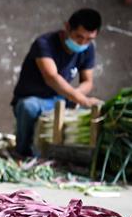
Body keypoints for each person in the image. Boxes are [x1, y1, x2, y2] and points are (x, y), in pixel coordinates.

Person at [11, 8, 103, 157]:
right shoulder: (44, 44)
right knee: (28, 107)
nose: (83, 42)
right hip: (35, 100)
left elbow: (88, 82)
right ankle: (23, 155)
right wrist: (81, 99)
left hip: (61, 100)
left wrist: (75, 95)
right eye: (79, 36)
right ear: (67, 27)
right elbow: (51, 78)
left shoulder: (88, 49)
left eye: (89, 39)